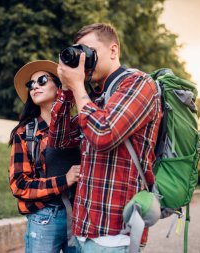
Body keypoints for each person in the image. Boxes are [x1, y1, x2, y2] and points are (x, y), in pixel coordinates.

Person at [49, 23, 162, 252]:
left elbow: (104, 134)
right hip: (82, 232)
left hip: (113, 237)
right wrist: (66, 90)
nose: (84, 60)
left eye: (89, 51)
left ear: (113, 51)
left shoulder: (139, 83)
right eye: (79, 53)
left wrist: (78, 86)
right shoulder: (95, 98)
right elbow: (59, 141)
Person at [9, 60, 80, 253]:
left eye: (41, 80)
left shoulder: (78, 125)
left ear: (60, 87)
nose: (34, 87)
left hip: (81, 216)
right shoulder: (24, 133)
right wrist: (64, 180)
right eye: (30, 84)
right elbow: (19, 185)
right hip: (44, 217)